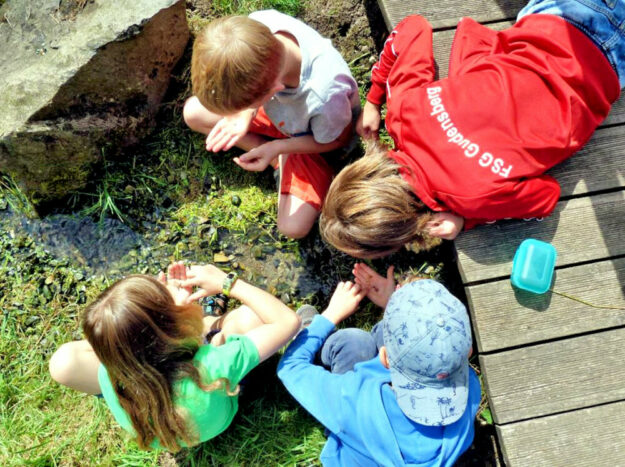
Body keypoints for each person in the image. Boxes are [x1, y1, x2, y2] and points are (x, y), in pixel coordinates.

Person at [320, 0, 623, 258]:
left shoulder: (475, 199)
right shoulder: (403, 112)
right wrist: (374, 99)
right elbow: (413, 28)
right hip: (555, 16)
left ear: (407, 229)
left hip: (610, 63)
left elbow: (546, 198)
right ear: (364, 169)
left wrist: (466, 220)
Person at [49, 261, 300, 451]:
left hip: (168, 427)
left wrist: (132, 328)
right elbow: (288, 321)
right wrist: (227, 282)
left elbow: (133, 342)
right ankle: (209, 321)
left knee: (63, 362)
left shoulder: (110, 372)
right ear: (174, 328)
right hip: (212, 414)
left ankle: (170, 328)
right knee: (249, 318)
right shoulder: (213, 366)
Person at [278, 265, 481, 466]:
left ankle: (310, 333)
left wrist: (330, 315)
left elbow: (290, 367)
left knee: (352, 342)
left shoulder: (351, 401)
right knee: (391, 333)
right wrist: (393, 304)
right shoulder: (467, 389)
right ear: (468, 350)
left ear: (384, 358)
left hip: (358, 429)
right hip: (398, 434)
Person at [184, 10, 360, 239]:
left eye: (245, 105)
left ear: (274, 90)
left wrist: (279, 147)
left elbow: (339, 141)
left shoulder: (324, 97)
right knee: (193, 112)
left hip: (317, 140)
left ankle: (279, 158)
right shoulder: (259, 26)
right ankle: (275, 158)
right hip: (282, 116)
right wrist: (246, 113)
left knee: (292, 227)